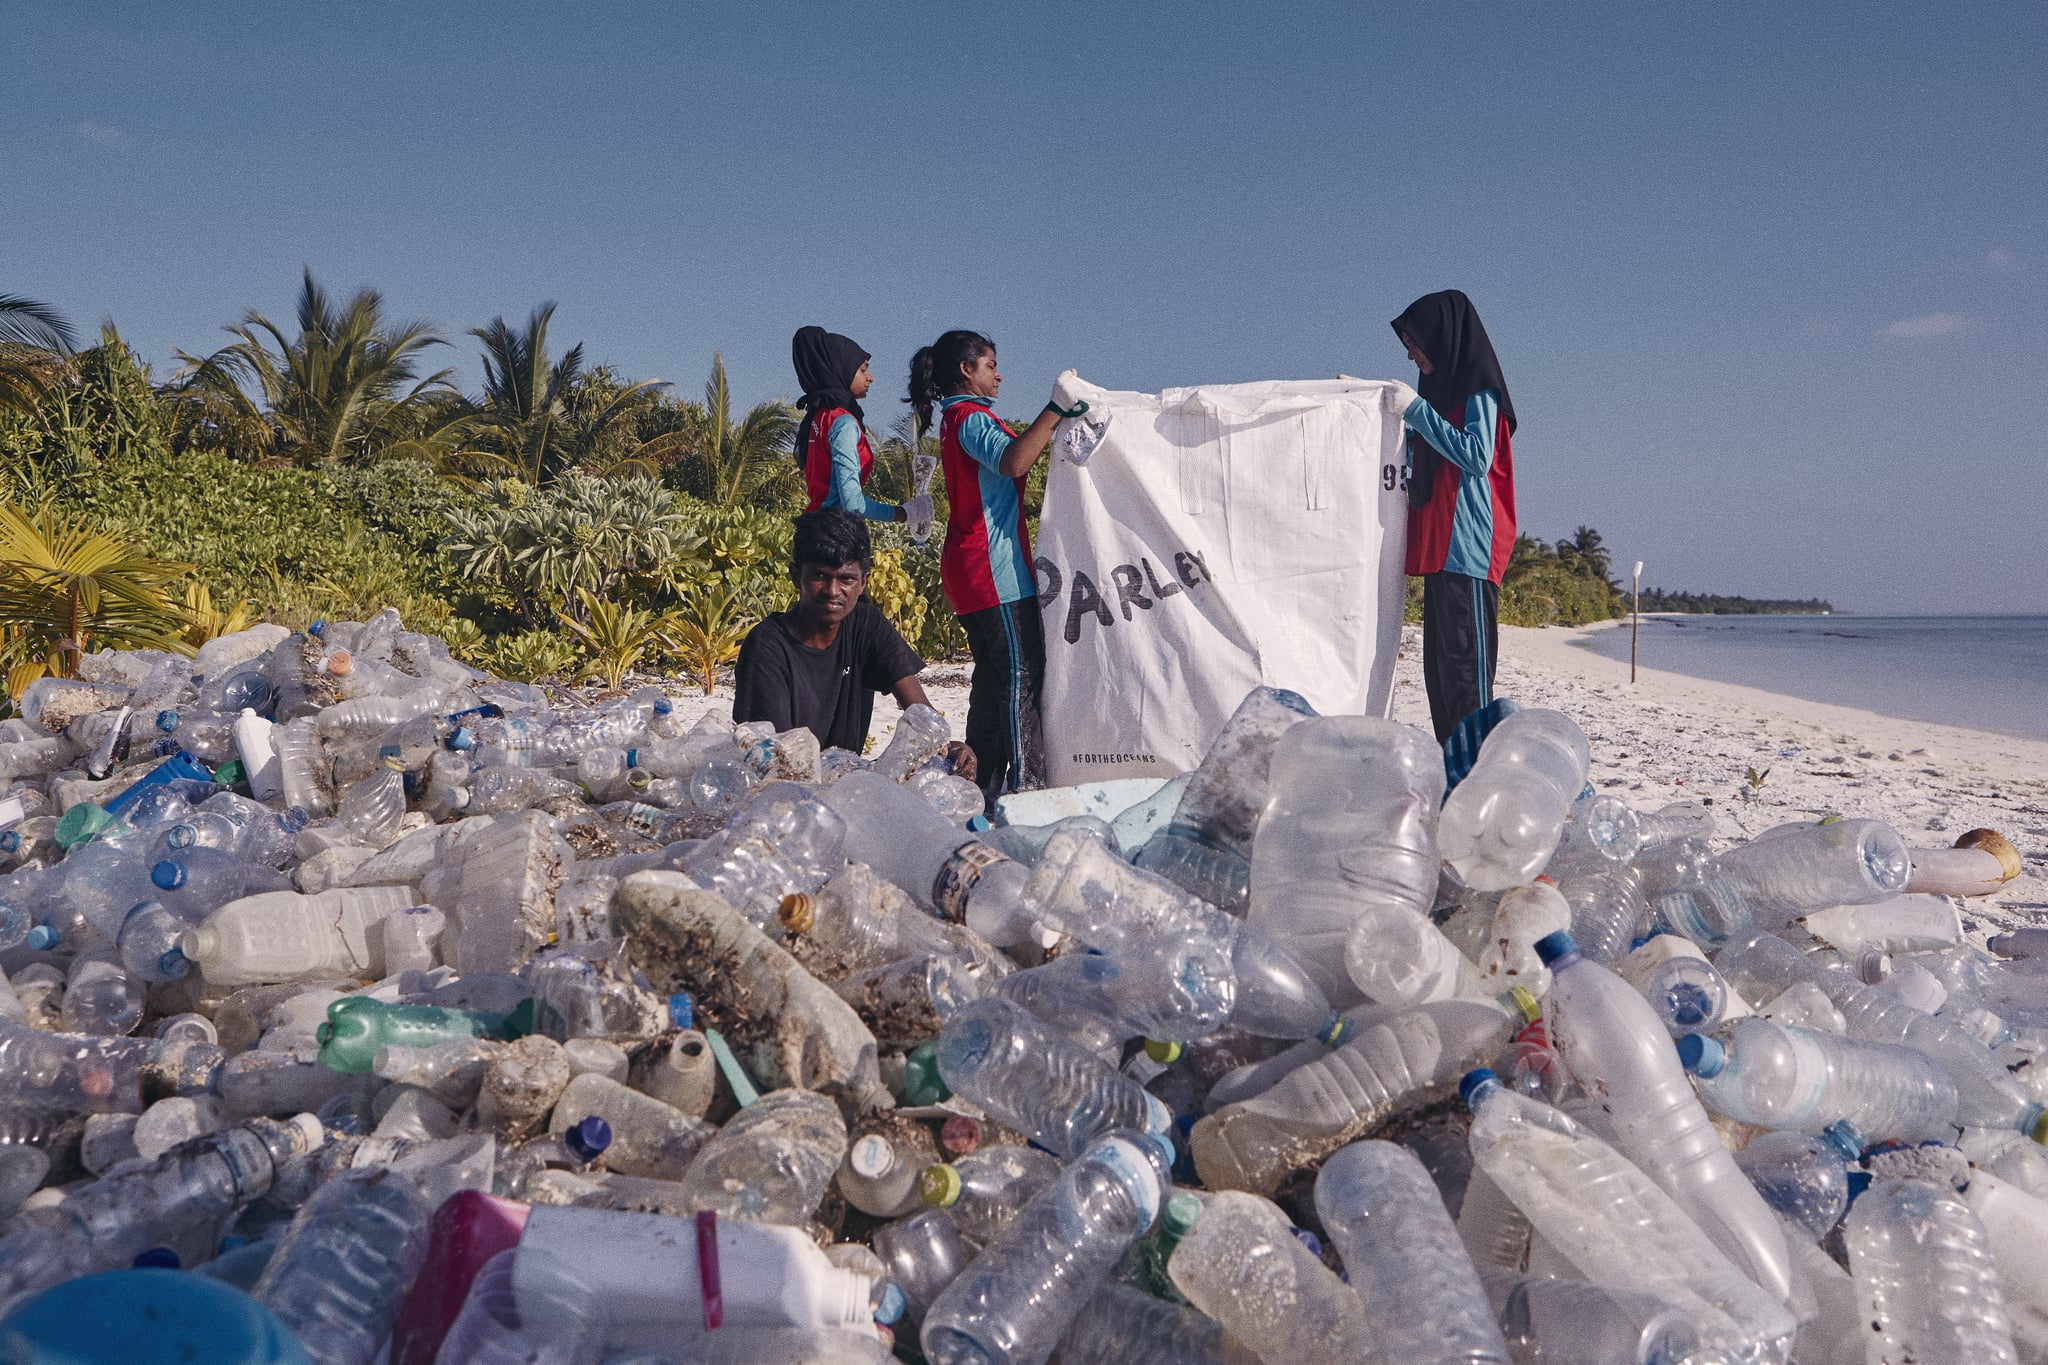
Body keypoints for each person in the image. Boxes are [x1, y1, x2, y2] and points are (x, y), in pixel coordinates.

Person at [906, 330, 1081, 811]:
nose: (999, 374)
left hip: (969, 570)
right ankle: (1026, 793)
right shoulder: (969, 417)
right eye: (990, 365)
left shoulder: (953, 418)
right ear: (966, 370)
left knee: (992, 683)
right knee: (1020, 678)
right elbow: (1013, 460)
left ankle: (977, 791)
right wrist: (1056, 409)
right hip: (993, 570)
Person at [732, 508, 974, 776]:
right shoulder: (767, 646)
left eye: (846, 579)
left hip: (842, 781)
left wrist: (950, 750)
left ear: (862, 583)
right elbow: (775, 765)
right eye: (820, 576)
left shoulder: (865, 624)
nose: (833, 591)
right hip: (785, 791)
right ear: (795, 576)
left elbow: (923, 717)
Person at [1385, 290, 1518, 744]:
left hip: (1469, 550)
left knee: (1468, 682)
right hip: (1439, 551)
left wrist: (1416, 411)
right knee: (1439, 679)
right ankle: (1451, 775)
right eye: (1407, 344)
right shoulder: (1436, 397)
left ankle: (1478, 784)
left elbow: (1478, 456)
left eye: (1416, 341)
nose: (1411, 353)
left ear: (1442, 336)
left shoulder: (1479, 390)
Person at [791, 326, 932, 528]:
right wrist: (906, 513)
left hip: (811, 531)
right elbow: (852, 504)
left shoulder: (818, 418)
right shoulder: (843, 423)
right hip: (835, 535)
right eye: (863, 369)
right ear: (842, 370)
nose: (870, 377)